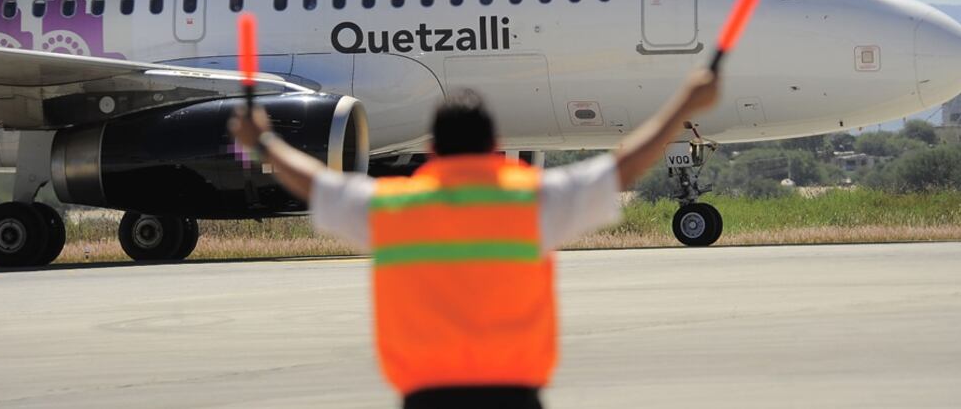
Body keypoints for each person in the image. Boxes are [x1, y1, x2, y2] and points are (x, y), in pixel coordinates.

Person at [230, 69, 719, 408]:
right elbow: (623, 165)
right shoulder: (533, 202)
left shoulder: (394, 209)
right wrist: (685, 104)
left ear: (430, 149)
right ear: (495, 146)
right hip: (515, 395)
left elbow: (318, 184)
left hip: (426, 398)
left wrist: (264, 142)